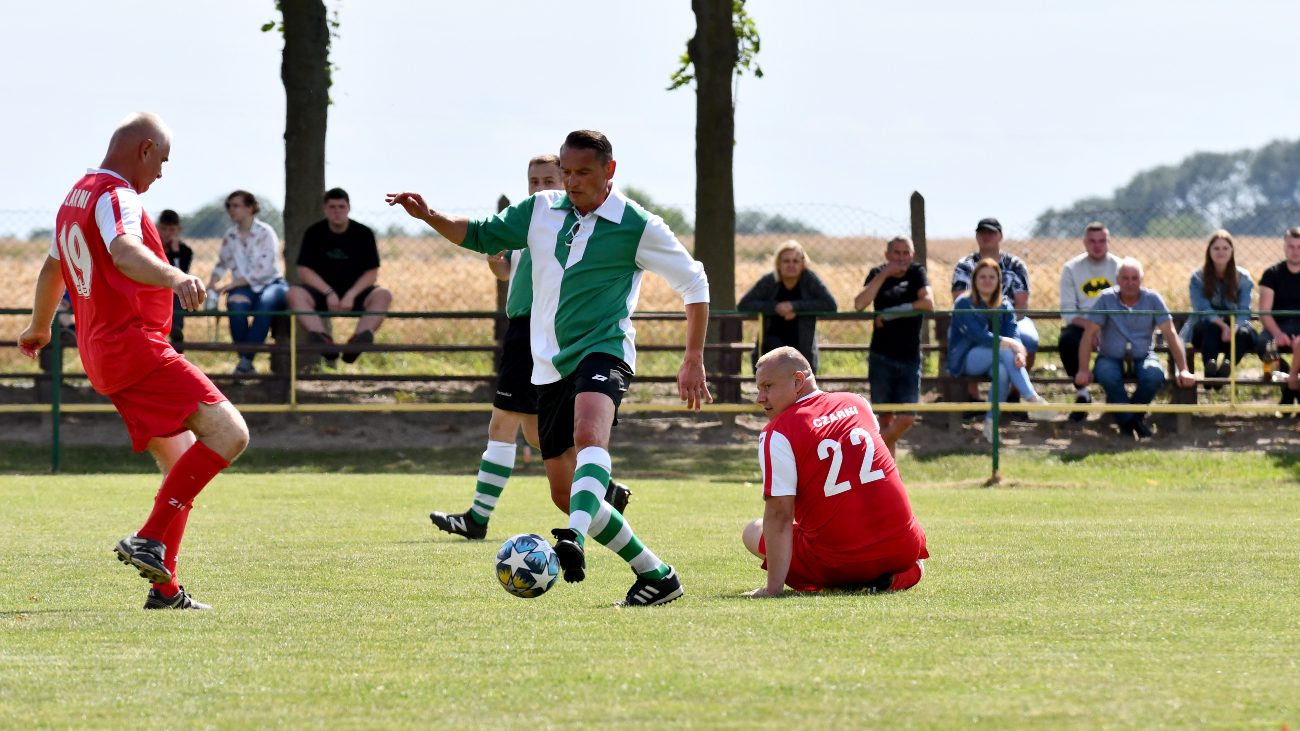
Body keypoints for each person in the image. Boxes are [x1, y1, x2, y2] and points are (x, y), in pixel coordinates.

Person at [388, 129, 711, 606]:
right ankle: (657, 575)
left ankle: (572, 540)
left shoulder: (638, 224)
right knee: (566, 493)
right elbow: (478, 233)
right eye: (567, 171)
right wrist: (430, 215)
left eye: (584, 172)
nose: (573, 181)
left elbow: (695, 282)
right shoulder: (541, 210)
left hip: (605, 349)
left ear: (610, 171)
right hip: (547, 364)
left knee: (589, 437)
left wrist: (693, 358)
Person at [17, 113, 249, 610]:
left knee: (180, 461)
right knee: (231, 434)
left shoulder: (75, 196)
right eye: (162, 160)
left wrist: (38, 328)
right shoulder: (116, 195)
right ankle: (148, 538)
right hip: (135, 347)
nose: (162, 173)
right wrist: (175, 276)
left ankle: (164, 591)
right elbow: (124, 251)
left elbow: (53, 268)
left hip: (101, 353)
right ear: (144, 149)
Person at [428, 155, 632, 539]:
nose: (539, 188)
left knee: (503, 423)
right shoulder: (531, 221)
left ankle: (478, 518)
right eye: (533, 180)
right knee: (539, 433)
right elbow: (510, 271)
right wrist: (495, 264)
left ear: (567, 181)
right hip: (526, 329)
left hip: (535, 330)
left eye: (548, 180)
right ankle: (604, 490)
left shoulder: (562, 224)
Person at [741, 347, 928, 596]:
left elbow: (780, 516)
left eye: (767, 387)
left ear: (798, 381)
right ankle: (898, 576)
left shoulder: (778, 431)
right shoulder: (857, 402)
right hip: (903, 553)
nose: (760, 398)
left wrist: (772, 590)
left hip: (838, 564)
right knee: (911, 553)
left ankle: (848, 580)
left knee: (753, 530)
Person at [1075, 258, 1195, 439]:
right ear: (1117, 279)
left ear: (1141, 279)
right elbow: (1088, 334)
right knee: (1106, 374)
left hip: (1143, 354)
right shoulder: (1106, 299)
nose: (1130, 283)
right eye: (1125, 278)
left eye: (1134, 278)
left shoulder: (1153, 299)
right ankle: (1136, 424)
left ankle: (1128, 421)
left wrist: (1184, 370)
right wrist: (1083, 369)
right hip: (1109, 355)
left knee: (1154, 374)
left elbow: (1170, 334)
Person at [947, 258, 1055, 443]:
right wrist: (1012, 345)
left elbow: (1013, 331)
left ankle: (991, 425)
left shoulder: (1004, 303)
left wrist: (1019, 352)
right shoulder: (963, 303)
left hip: (993, 359)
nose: (987, 281)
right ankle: (1032, 399)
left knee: (1003, 370)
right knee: (1005, 350)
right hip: (966, 358)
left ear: (999, 281)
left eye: (992, 277)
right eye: (982, 277)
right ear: (974, 280)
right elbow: (977, 335)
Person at [286, 188, 393, 366]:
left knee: (384, 295)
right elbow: (304, 270)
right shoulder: (313, 233)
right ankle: (323, 340)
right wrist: (328, 292)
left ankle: (358, 342)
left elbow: (372, 272)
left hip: (356, 293)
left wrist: (351, 294)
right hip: (321, 294)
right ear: (325, 209)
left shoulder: (364, 234)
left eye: (341, 206)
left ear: (349, 208)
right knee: (293, 294)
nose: (337, 211)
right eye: (332, 207)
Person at [853, 235, 933, 455]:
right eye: (896, 253)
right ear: (887, 255)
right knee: (885, 418)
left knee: (906, 417)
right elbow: (860, 303)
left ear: (912, 255)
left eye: (905, 253)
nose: (901, 258)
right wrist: (884, 274)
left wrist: (890, 315)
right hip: (881, 356)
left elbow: (928, 302)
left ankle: (868, 450)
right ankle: (889, 475)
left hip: (909, 357)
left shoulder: (917, 273)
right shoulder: (877, 273)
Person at [951, 218, 1037, 404]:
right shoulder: (965, 265)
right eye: (982, 232)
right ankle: (972, 395)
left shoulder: (1016, 265)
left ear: (1001, 236)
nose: (986, 236)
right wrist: (1005, 340)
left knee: (1028, 339)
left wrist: (1006, 327)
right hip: (975, 319)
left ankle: (1014, 395)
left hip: (1010, 318)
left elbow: (1021, 303)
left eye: (991, 232)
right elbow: (960, 303)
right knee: (999, 346)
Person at [207, 191, 288, 374]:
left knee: (265, 303)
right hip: (244, 288)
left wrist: (234, 284)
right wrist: (212, 282)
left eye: (235, 205)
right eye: (229, 206)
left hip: (272, 284)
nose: (231, 210)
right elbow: (222, 263)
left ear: (250, 208)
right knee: (235, 305)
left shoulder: (266, 233)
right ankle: (246, 362)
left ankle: (245, 361)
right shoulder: (230, 236)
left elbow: (265, 268)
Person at [738, 240, 838, 373]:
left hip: (803, 351)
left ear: (803, 264)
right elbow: (744, 304)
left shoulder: (810, 279)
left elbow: (830, 304)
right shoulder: (770, 280)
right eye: (786, 261)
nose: (791, 265)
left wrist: (794, 306)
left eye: (795, 261)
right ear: (778, 264)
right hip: (771, 349)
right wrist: (776, 307)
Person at [1058, 222, 1122, 420]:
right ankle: (1082, 394)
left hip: (1113, 324)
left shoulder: (1120, 268)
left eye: (1102, 241)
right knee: (1067, 341)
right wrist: (1091, 329)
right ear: (1085, 243)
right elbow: (1068, 311)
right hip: (1082, 324)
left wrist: (1103, 328)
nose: (1097, 245)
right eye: (1092, 241)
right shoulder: (1071, 269)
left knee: (1122, 343)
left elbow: (1127, 305)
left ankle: (1115, 396)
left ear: (1109, 242)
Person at [1179, 230, 1255, 383]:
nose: (1221, 252)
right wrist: (1222, 326)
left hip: (1235, 328)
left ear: (1232, 251)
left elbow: (1244, 310)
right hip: (1207, 328)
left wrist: (1232, 328)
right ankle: (1210, 368)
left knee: (1244, 333)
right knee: (1211, 327)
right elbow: (1202, 308)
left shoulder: (1243, 277)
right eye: (1216, 248)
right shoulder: (1197, 277)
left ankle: (1225, 370)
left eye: (1225, 248)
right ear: (1209, 251)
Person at [1257, 227, 1300, 403]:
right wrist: (1277, 334)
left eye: (1299, 247)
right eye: (1291, 246)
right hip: (1278, 325)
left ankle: (1290, 390)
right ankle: (1290, 388)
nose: (1295, 251)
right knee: (1262, 344)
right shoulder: (1271, 274)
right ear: (1284, 247)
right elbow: (1264, 311)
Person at [157, 209, 192, 345]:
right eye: (164, 229)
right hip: (153, 286)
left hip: (172, 289)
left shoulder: (185, 251)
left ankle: (176, 332)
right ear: (158, 228)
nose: (166, 233)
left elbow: (181, 275)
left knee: (176, 291)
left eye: (171, 230)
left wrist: (175, 253)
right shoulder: (149, 247)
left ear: (178, 230)